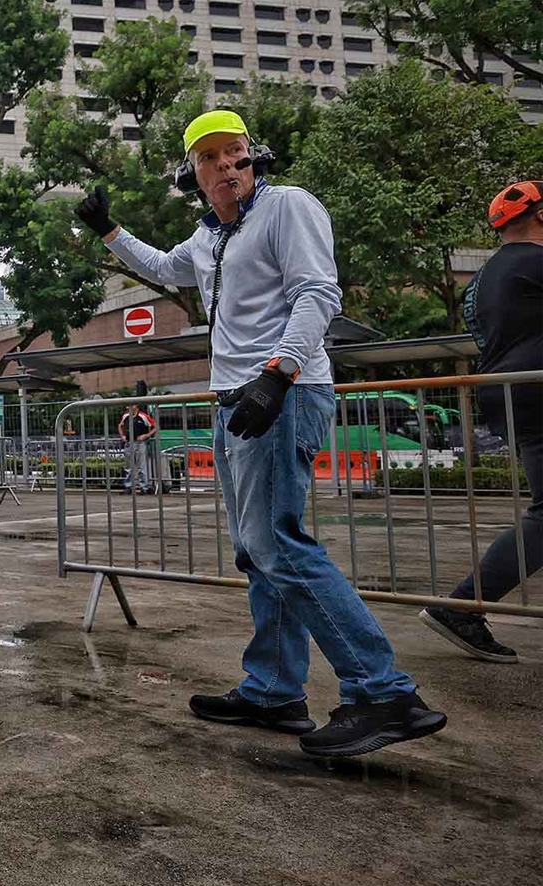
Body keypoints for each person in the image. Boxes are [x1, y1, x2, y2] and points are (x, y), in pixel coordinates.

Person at [74, 109, 447, 757]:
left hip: (283, 392)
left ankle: (383, 692)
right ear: (191, 175)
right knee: (256, 550)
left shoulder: (289, 207)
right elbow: (165, 268)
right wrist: (110, 231)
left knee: (278, 543)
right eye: (208, 158)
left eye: (233, 153)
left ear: (254, 159)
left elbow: (316, 295)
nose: (223, 165)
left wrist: (277, 375)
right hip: (235, 400)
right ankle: (274, 691)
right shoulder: (209, 239)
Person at [419, 180, 543, 664]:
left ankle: (465, 605)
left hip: (507, 394)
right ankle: (464, 604)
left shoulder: (481, 282)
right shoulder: (535, 262)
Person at [119, 402, 157, 494]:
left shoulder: (143, 416)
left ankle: (144, 487)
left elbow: (155, 427)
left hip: (140, 442)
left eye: (130, 406)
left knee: (141, 466)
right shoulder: (126, 416)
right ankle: (129, 486)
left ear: (136, 406)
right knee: (129, 466)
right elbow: (120, 425)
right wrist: (122, 436)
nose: (128, 407)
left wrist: (146, 435)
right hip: (129, 442)